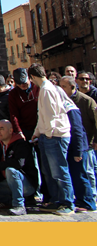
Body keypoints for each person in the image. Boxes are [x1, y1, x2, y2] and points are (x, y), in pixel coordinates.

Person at [28, 64, 74, 216]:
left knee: (59, 171)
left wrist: (47, 133)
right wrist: (37, 132)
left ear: (32, 77)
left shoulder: (47, 89)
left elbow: (51, 115)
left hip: (55, 136)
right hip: (49, 135)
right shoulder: (45, 88)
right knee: (50, 172)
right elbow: (42, 115)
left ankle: (67, 203)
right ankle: (56, 200)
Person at [0, 120, 38, 216]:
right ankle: (11, 200)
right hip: (7, 183)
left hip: (26, 184)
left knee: (10, 170)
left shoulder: (21, 144)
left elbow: (18, 164)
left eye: (1, 129)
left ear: (10, 130)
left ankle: (19, 205)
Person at [59, 75, 97, 200]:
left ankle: (89, 199)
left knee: (86, 173)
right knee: (77, 173)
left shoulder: (85, 101)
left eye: (64, 86)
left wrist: (94, 140)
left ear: (72, 86)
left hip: (85, 143)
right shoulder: (62, 101)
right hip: (72, 142)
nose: (61, 89)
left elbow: (92, 123)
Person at [8, 68, 39, 140]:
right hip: (25, 129)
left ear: (29, 78)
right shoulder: (13, 94)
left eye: (24, 83)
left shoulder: (38, 88)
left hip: (40, 126)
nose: (22, 85)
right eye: (19, 83)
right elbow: (13, 114)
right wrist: (19, 132)